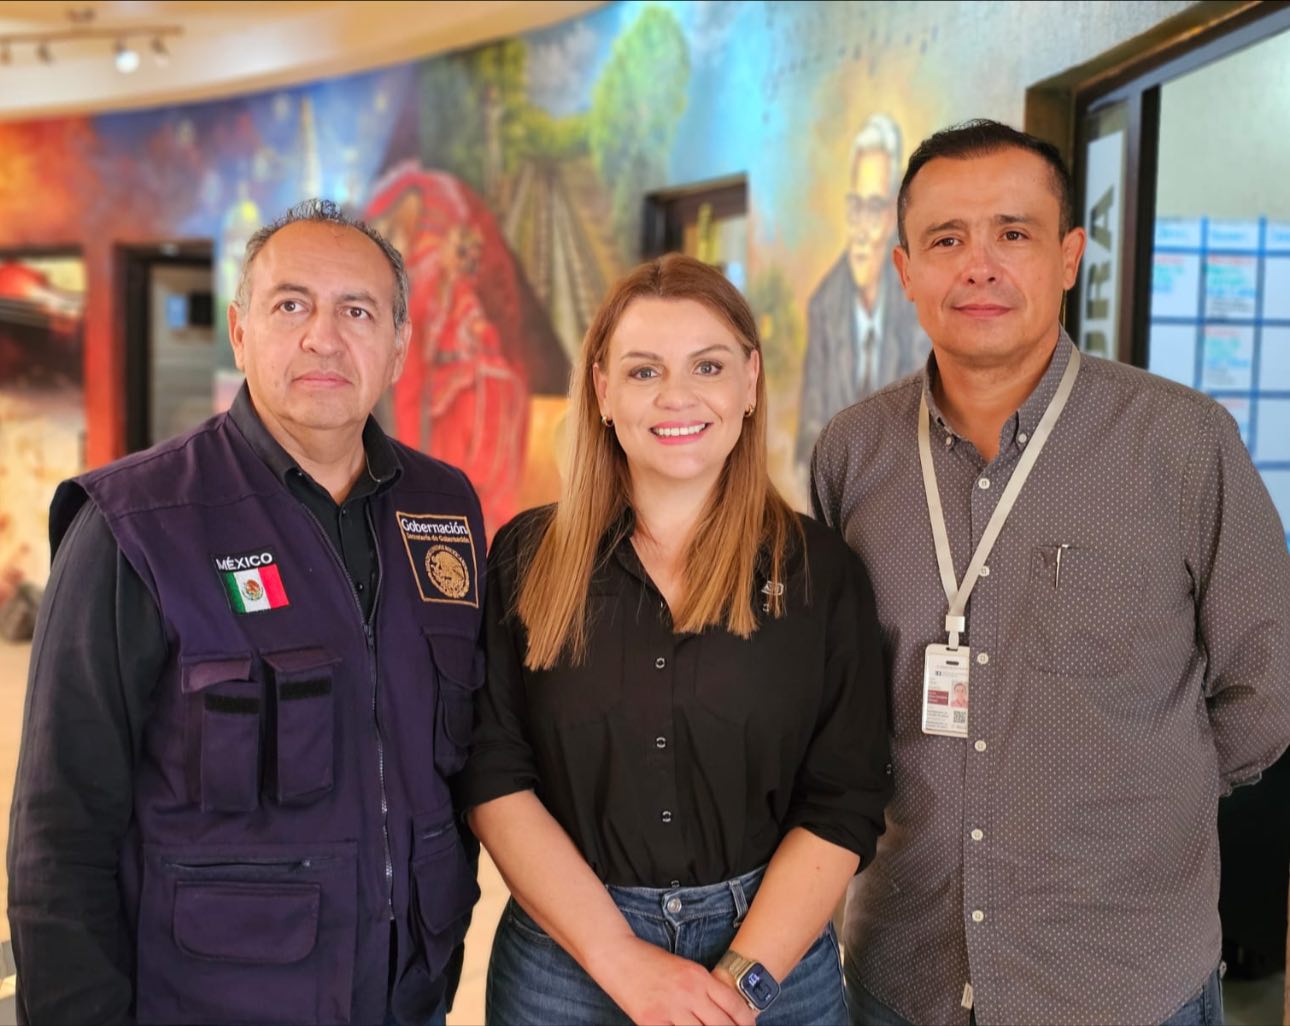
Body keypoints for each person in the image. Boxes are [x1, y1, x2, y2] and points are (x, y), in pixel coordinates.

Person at [810, 118, 1290, 1026]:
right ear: (905, 270)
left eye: (1013, 234)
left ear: (1069, 257)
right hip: (906, 974)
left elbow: (1266, 687)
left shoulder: (1183, 444)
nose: (979, 266)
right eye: (946, 240)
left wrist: (1146, 799)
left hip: (1125, 980)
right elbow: (834, 692)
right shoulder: (853, 454)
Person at [7, 199, 486, 1025]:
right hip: (212, 1000)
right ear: (239, 332)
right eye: (291, 305)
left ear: (398, 347)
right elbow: (61, 831)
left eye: (357, 312)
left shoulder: (444, 508)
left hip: (408, 999)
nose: (323, 338)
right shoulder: (135, 524)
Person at [461, 254, 891, 1025]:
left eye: (708, 366)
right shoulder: (525, 558)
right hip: (566, 965)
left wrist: (740, 987)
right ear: (602, 390)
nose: (677, 395)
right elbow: (494, 775)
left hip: (775, 960)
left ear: (750, 382)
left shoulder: (820, 572)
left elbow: (844, 799)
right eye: (643, 371)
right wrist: (623, 962)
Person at [795, 113, 927, 477]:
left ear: (893, 217)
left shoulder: (918, 303)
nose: (863, 229)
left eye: (875, 209)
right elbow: (808, 431)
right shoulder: (824, 306)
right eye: (856, 208)